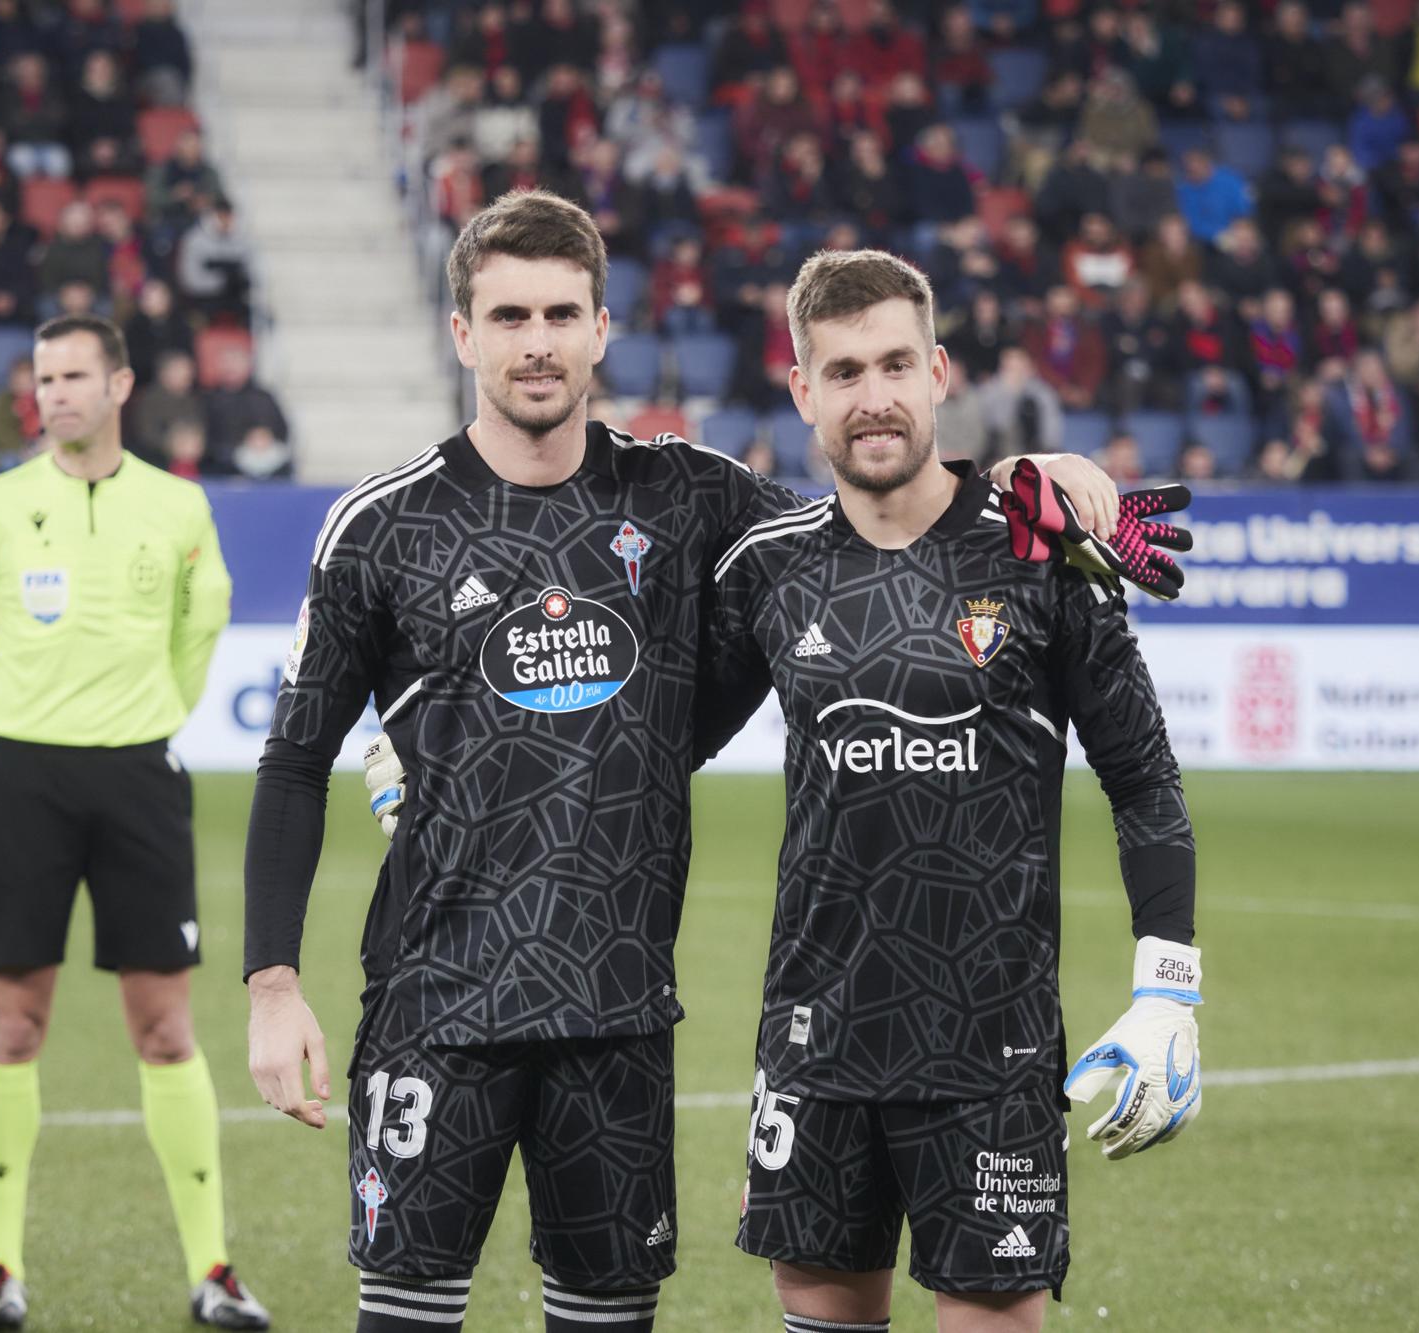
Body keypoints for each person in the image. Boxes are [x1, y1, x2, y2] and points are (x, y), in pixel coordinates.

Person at [242, 191, 1128, 1333]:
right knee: (403, 1315)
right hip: (434, 998)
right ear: (462, 334)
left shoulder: (690, 494)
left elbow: (872, 521)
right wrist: (272, 985)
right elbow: (291, 762)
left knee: (604, 1318)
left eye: (562, 312)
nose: (537, 341)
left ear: (602, 327)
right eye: (507, 315)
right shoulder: (381, 526)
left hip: (618, 1009)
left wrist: (1015, 479)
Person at [702, 250, 1201, 1332]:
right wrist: (455, 736)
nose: (871, 397)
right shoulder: (767, 569)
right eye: (840, 372)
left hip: (990, 1049)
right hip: (813, 1041)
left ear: (936, 372)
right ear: (801, 393)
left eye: (892, 365)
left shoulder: (1042, 552)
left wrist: (1169, 987)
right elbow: (654, 735)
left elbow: (1143, 778)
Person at [0, 315, 264, 1331]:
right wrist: (18, 745)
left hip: (140, 778)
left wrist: (141, 720)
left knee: (165, 1030)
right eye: (44, 376)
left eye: (75, 374)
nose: (57, 392)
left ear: (118, 383)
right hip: (23, 777)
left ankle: (212, 1268)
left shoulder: (178, 504)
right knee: (11, 1021)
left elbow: (200, 625)